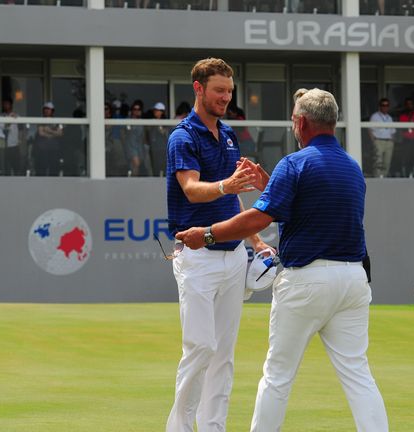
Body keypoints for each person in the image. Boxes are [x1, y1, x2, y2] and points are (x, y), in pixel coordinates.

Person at [176, 87, 389, 432]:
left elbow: (257, 220)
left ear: (302, 123)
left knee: (277, 376)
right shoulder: (352, 167)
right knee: (358, 375)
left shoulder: (294, 163)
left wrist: (208, 234)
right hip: (352, 281)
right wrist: (272, 185)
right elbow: (312, 211)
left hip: (306, 281)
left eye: (294, 120)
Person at [164, 57, 271, 432]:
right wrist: (228, 184)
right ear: (198, 88)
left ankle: (213, 428)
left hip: (233, 257)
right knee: (201, 348)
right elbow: (192, 191)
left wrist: (256, 242)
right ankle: (178, 428)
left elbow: (232, 201)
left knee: (223, 355)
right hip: (197, 256)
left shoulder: (227, 134)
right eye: (218, 91)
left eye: (229, 91)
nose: (226, 97)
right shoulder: (183, 136)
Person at [396, 97, 414, 177]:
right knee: (407, 159)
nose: (409, 106)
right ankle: (407, 175)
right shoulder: (403, 116)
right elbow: (402, 128)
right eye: (407, 104)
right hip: (407, 140)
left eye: (411, 104)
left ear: (413, 105)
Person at [33, 101, 63, 176]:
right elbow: (41, 132)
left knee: (54, 170)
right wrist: (54, 133)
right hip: (42, 150)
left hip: (54, 149)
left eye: (48, 109)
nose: (46, 110)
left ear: (52, 110)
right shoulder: (41, 120)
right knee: (41, 170)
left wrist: (48, 130)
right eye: (45, 109)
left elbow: (60, 133)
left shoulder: (57, 121)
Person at [369, 98, 395, 177]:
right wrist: (374, 141)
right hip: (378, 141)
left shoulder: (390, 118)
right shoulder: (375, 116)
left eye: (387, 105)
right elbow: (370, 129)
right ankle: (377, 178)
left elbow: (393, 131)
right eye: (383, 105)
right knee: (378, 162)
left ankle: (384, 178)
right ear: (380, 106)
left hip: (388, 142)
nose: (385, 107)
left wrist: (392, 141)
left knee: (387, 162)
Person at [124, 100, 152, 176]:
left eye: (139, 109)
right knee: (135, 164)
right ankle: (132, 182)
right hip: (130, 147)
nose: (137, 111)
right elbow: (123, 134)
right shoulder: (127, 121)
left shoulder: (142, 121)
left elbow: (144, 136)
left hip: (140, 147)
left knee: (139, 166)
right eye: (135, 109)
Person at [1, 98, 25, 176]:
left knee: (16, 166)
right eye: (4, 104)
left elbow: (21, 129)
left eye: (7, 104)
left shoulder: (17, 116)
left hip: (15, 144)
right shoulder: (1, 116)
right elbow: (3, 127)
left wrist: (20, 140)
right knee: (6, 167)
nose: (5, 105)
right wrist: (9, 119)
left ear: (11, 105)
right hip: (4, 145)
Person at [146, 101, 169, 177]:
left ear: (161, 112)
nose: (155, 112)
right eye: (154, 110)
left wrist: (162, 130)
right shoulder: (151, 121)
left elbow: (166, 134)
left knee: (165, 169)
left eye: (157, 110)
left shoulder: (166, 122)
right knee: (155, 169)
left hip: (163, 149)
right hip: (154, 149)